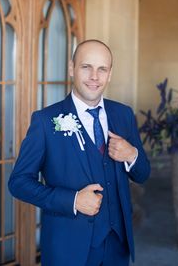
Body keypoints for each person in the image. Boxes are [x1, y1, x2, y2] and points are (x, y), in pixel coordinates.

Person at [8, 39, 150, 266]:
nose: (95, 76)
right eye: (86, 67)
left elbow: (142, 174)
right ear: (71, 68)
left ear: (110, 74)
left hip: (117, 247)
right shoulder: (45, 121)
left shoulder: (123, 115)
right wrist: (72, 200)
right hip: (68, 248)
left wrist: (132, 154)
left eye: (102, 69)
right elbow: (18, 182)